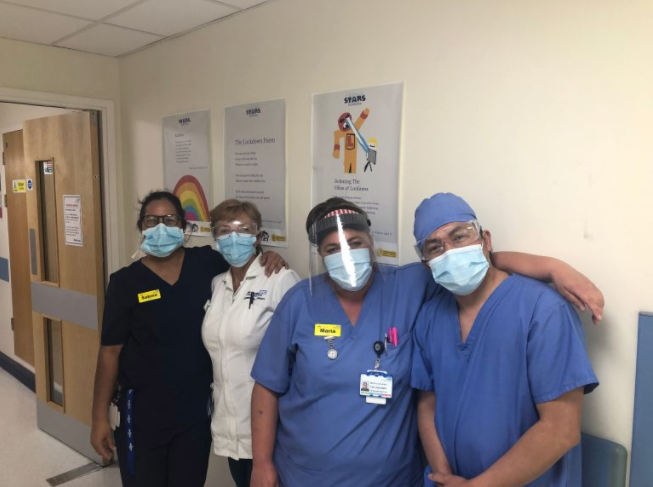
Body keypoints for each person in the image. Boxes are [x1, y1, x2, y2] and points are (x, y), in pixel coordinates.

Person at [249, 197, 603, 487]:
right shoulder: (300, 301)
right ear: (320, 256)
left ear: (371, 244)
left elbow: (481, 263)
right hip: (305, 475)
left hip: (391, 478)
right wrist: (262, 463)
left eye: (355, 243)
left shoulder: (411, 285)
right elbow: (268, 385)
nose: (346, 254)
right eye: (332, 248)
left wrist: (554, 268)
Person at [90, 190, 285, 487]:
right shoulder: (125, 282)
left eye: (169, 219)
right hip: (142, 413)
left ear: (183, 227)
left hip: (194, 413)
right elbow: (110, 353)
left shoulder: (207, 264)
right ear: (141, 228)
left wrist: (268, 256)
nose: (160, 227)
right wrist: (99, 417)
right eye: (151, 220)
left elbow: (243, 264)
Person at [411, 193, 599, 487]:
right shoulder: (430, 318)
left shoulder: (543, 310)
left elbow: (561, 429)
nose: (449, 252)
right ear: (427, 264)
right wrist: (443, 476)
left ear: (486, 241)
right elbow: (427, 406)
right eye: (435, 247)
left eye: (459, 236)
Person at [202, 199, 300, 487]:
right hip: (229, 422)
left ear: (258, 237)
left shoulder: (280, 279)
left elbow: (300, 355)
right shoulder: (217, 284)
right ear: (216, 239)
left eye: (244, 230)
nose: (234, 238)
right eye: (224, 230)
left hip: (271, 425)